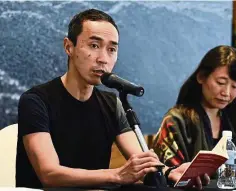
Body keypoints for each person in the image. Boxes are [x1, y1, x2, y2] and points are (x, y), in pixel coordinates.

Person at [16, 9, 209, 189]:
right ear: (69, 46)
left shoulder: (111, 103)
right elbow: (49, 173)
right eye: (94, 45)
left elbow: (139, 159)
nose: (103, 59)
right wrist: (117, 175)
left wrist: (170, 172)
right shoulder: (35, 101)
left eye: (112, 49)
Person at [152, 45, 236, 181]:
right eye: (220, 82)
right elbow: (169, 174)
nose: (226, 93)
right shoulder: (176, 121)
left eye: (234, 86)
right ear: (201, 77)